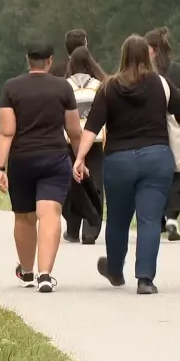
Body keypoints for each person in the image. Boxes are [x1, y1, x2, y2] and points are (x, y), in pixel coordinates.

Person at [74, 34, 180, 295]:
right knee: (149, 219)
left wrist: (80, 157)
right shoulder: (162, 85)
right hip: (156, 159)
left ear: (122, 56)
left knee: (118, 220)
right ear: (147, 55)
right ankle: (145, 279)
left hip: (119, 161)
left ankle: (115, 270)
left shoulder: (108, 87)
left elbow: (92, 126)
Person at [0, 42, 82, 293]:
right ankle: (45, 274)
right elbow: (74, 131)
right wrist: (79, 159)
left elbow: (6, 131)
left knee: (24, 216)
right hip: (55, 158)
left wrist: (0, 168)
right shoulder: (62, 87)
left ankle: (27, 271)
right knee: (50, 214)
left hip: (22, 160)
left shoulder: (12, 88)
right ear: (50, 61)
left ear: (28, 60)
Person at [62, 46, 107, 244]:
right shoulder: (100, 85)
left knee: (72, 183)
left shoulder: (64, 85)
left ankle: (72, 228)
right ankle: (91, 230)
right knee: (95, 183)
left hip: (70, 140)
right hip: (95, 141)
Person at [146, 27, 180, 241]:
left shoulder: (147, 73)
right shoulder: (176, 69)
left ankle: (158, 218)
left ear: (154, 49)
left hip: (151, 128)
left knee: (154, 175)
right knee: (176, 172)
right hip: (174, 126)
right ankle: (172, 217)